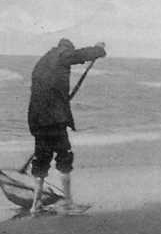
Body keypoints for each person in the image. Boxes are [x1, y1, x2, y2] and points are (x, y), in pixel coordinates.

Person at [28, 38, 106, 213]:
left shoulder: (43, 60)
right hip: (54, 119)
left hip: (37, 119)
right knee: (64, 157)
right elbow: (79, 55)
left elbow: (47, 88)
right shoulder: (62, 54)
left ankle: (35, 205)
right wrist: (98, 50)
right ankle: (68, 203)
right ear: (66, 48)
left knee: (41, 160)